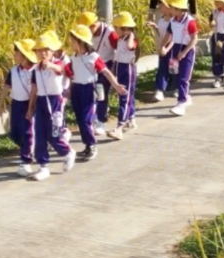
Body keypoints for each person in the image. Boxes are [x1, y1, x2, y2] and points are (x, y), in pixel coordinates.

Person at [62, 27, 123, 160]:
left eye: (73, 41)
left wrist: (116, 85)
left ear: (81, 42)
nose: (71, 44)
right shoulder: (74, 57)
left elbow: (106, 72)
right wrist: (69, 90)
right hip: (77, 90)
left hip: (88, 90)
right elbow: (73, 76)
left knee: (85, 120)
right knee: (79, 119)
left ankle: (92, 145)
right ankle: (87, 146)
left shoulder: (93, 57)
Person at [146, 0, 196, 96]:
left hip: (180, 13)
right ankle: (162, 84)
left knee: (177, 49)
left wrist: (193, 14)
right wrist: (151, 11)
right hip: (165, 11)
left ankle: (175, 84)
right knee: (163, 48)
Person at [25, 35, 74, 178]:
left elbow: (60, 69)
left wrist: (50, 65)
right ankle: (43, 166)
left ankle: (67, 152)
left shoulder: (57, 63)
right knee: (39, 134)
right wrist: (30, 108)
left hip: (55, 102)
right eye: (39, 50)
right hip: (41, 102)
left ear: (53, 51)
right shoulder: (36, 68)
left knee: (54, 135)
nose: (43, 53)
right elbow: (34, 89)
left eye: (46, 50)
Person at [156, 0, 198, 115]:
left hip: (186, 51)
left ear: (179, 9)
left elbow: (194, 39)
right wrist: (162, 46)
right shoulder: (173, 20)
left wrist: (184, 52)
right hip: (175, 51)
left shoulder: (189, 21)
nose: (170, 9)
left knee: (183, 78)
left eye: (172, 7)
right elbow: (169, 35)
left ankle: (181, 102)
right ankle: (186, 96)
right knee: (177, 75)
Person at [106, 15, 141, 135]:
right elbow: (118, 55)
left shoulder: (131, 39)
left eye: (117, 28)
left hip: (128, 68)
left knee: (125, 97)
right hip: (120, 66)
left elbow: (130, 47)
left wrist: (131, 35)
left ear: (125, 28)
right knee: (127, 96)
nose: (115, 30)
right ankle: (131, 119)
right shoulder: (121, 39)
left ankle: (120, 126)